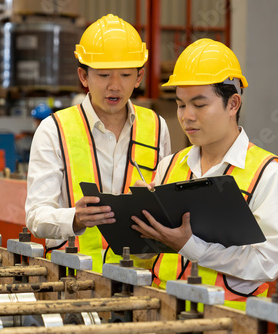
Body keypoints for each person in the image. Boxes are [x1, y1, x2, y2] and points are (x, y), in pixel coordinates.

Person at [130, 38, 278, 310]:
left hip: (229, 321)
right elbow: (149, 257)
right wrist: (139, 219)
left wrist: (191, 246)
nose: (187, 116)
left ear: (233, 104)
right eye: (181, 105)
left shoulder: (267, 175)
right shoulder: (169, 167)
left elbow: (267, 263)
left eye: (200, 104)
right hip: (161, 312)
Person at [25, 14, 171, 273]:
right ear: (84, 76)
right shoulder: (54, 130)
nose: (114, 86)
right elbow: (36, 216)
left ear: (139, 78)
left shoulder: (157, 127)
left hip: (137, 280)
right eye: (103, 75)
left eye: (126, 75)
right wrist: (75, 218)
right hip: (70, 280)